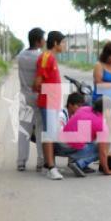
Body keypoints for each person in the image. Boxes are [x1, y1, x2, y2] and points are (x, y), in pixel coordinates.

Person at [34, 31, 66, 180]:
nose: (64, 45)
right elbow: (38, 81)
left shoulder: (52, 58)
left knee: (51, 134)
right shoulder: (46, 57)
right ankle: (51, 167)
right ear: (55, 43)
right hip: (48, 102)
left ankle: (48, 165)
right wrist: (43, 93)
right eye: (63, 42)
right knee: (49, 134)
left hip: (53, 101)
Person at [54, 97, 111, 178]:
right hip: (69, 149)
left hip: (58, 146)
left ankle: (77, 160)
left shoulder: (84, 109)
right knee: (102, 147)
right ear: (106, 110)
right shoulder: (102, 125)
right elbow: (102, 152)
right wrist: (107, 171)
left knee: (89, 137)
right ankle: (79, 163)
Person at [16, 27, 45, 172]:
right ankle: (41, 160)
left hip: (24, 97)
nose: (44, 41)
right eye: (43, 39)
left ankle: (21, 161)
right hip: (38, 97)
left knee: (24, 130)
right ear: (38, 41)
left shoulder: (20, 56)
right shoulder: (42, 57)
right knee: (40, 130)